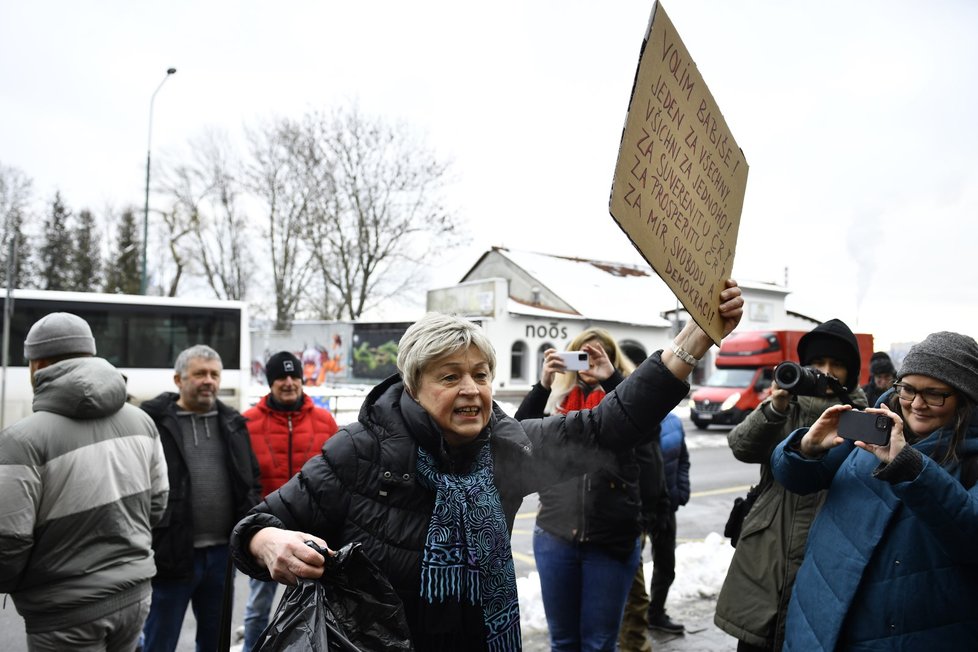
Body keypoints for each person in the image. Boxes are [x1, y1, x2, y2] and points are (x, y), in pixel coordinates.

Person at [229, 280, 743, 651]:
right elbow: (255, 525)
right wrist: (268, 542)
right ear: (412, 386)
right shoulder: (360, 451)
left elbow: (606, 426)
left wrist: (694, 339)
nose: (472, 389)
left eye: (481, 373)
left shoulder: (506, 449)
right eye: (450, 376)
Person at [773, 331, 978, 649]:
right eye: (908, 390)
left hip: (911, 634)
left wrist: (909, 466)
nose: (917, 404)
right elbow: (797, 480)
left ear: (966, 397)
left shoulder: (972, 457)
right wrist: (806, 448)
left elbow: (971, 536)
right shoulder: (874, 422)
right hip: (818, 622)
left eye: (935, 394)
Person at [0, 312, 169, 651]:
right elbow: (158, 504)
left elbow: (9, 540)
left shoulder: (21, 440)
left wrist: (18, 585)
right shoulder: (142, 421)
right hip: (135, 596)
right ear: (90, 356)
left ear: (39, 364)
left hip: (63, 611)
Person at [714, 318, 867, 652]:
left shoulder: (861, 417)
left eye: (837, 365)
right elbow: (741, 447)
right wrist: (776, 406)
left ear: (851, 373)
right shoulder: (784, 408)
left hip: (830, 547)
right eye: (817, 363)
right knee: (759, 638)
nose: (826, 372)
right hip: (770, 549)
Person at [513, 328, 658, 651]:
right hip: (555, 535)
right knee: (563, 642)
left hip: (612, 539)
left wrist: (612, 379)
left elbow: (648, 434)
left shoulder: (628, 404)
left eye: (599, 354)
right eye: (581, 355)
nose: (589, 363)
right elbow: (516, 440)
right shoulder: (558, 404)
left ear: (613, 358)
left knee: (599, 643)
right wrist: (543, 385)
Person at [140, 344, 262, 652]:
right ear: (178, 380)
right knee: (159, 641)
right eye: (199, 374)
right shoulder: (153, 424)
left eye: (214, 374)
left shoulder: (233, 422)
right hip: (172, 552)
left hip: (222, 555)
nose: (208, 381)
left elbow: (250, 481)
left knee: (215, 642)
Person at [240, 351, 339, 651]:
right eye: (281, 377)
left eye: (294, 376)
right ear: (270, 382)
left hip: (314, 533)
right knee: (258, 607)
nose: (288, 383)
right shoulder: (247, 422)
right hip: (268, 533)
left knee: (320, 608)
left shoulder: (324, 420)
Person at [618, 412, 690, 651]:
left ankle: (656, 613)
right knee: (631, 575)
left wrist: (681, 490)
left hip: (665, 504)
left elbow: (683, 459)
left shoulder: (673, 421)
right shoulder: (631, 416)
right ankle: (626, 625)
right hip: (636, 509)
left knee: (666, 564)